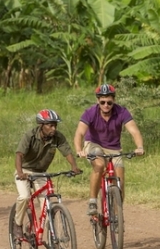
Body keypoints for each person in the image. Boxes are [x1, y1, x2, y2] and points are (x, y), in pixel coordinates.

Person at [74, 84, 144, 216]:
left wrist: (139, 147)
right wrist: (79, 150)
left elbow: (134, 132)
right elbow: (79, 133)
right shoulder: (90, 112)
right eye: (102, 102)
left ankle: (117, 216)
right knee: (99, 165)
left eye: (109, 102)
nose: (106, 105)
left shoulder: (122, 112)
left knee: (120, 181)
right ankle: (93, 201)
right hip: (94, 145)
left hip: (114, 148)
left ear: (114, 101)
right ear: (98, 101)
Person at [13, 109, 81, 238]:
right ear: (41, 125)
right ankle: (18, 224)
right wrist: (20, 173)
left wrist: (74, 166)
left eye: (55, 125)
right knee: (25, 197)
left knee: (47, 204)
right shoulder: (30, 135)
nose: (53, 128)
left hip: (41, 173)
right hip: (25, 170)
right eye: (50, 125)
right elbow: (19, 155)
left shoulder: (58, 137)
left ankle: (50, 236)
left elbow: (67, 152)